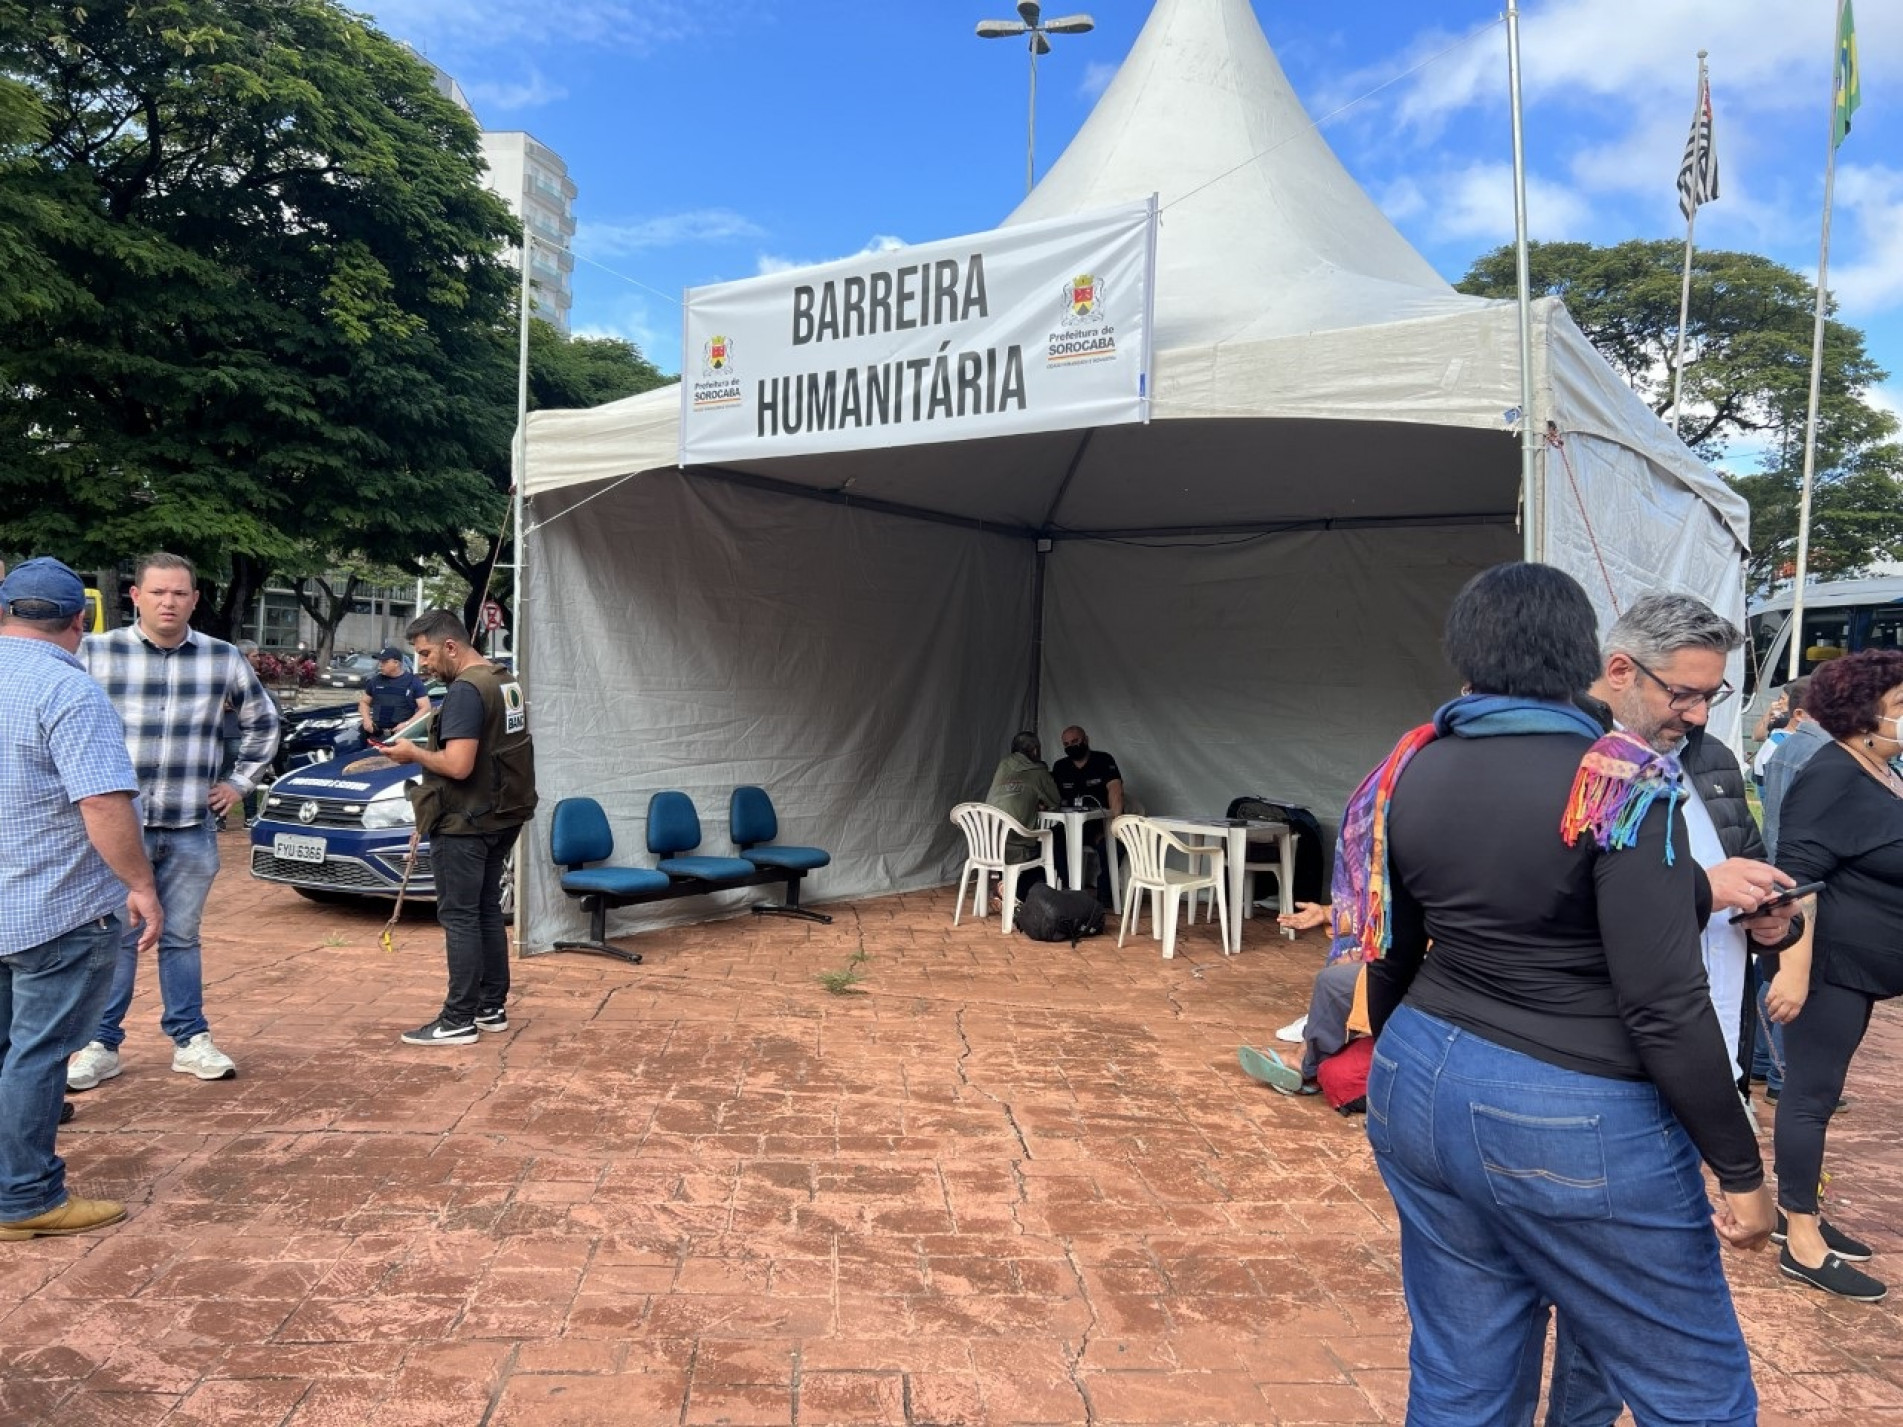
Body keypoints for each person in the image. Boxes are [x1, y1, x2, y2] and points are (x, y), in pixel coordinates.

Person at [1350, 563, 1774, 1427]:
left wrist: (1398, 1074)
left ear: (1464, 651)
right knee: (1696, 1395)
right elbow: (1663, 1002)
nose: (1695, 714)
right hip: (1568, 1106)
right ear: (1587, 656)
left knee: (1462, 1378)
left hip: (1419, 1074)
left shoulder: (1407, 767)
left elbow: (1388, 949)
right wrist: (1740, 1169)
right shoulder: (1617, 780)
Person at [67, 553, 279, 1091]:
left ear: (194, 599)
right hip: (119, 828)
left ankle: (190, 1039)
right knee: (116, 937)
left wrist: (238, 783)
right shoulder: (95, 653)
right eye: (158, 592)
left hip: (190, 825)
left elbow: (263, 723)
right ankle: (100, 1044)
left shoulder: (222, 658)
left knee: (182, 937)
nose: (169, 602)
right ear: (135, 596)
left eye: (180, 593)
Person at [0, 559, 163, 1240]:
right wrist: (141, 884)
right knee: (38, 1055)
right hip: (54, 909)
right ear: (81, 619)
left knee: (9, 1049)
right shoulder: (68, 689)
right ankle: (25, 1198)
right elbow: (101, 802)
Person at [1586, 595, 1803, 1102]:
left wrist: (1773, 924)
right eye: (1683, 695)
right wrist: (1702, 889)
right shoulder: (1575, 762)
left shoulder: (1712, 759)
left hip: (1720, 1048)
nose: (1700, 714)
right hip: (1615, 1064)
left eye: (1712, 695)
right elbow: (1555, 909)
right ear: (1620, 671)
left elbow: (1752, 869)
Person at [1765, 648, 1903, 1303]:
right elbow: (1797, 881)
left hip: (1861, 966)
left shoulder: (1879, 769)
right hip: (1827, 968)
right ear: (1863, 711)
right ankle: (1800, 1239)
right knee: (1809, 1097)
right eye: (1900, 705)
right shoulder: (1829, 774)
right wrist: (1793, 973)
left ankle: (1798, 1213)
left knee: (1819, 1094)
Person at [380, 611, 537, 1047]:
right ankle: (490, 1007)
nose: (423, 664)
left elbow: (458, 764)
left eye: (426, 653)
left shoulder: (467, 691)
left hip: (466, 821)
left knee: (460, 916)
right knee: (485, 909)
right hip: (503, 813)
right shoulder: (504, 680)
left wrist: (412, 753)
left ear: (450, 646)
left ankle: (458, 1019)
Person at [1051, 726, 1123, 903]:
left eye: (1075, 741)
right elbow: (1050, 796)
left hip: (1100, 826)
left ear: (1086, 739)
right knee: (1050, 838)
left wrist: (1115, 824)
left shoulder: (1103, 760)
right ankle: (1068, 891)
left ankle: (1105, 896)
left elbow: (1115, 790)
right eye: (1066, 744)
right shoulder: (1060, 767)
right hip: (1070, 826)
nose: (1071, 746)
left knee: (1113, 847)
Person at [984, 731, 1061, 869]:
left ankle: (999, 879)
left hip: (985, 844)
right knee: (1055, 838)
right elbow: (1055, 801)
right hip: (1016, 847)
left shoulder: (1003, 764)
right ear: (1035, 750)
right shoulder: (1038, 771)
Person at [358, 645, 431, 739]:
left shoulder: (413, 682)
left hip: (401, 737)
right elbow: (364, 702)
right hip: (376, 736)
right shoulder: (375, 681)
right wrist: (366, 720)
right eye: (380, 661)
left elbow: (425, 708)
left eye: (385, 662)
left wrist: (407, 724)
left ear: (396, 663)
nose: (380, 665)